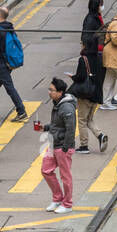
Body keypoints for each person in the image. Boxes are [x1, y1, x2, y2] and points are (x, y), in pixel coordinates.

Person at [0, 6, 29, 121]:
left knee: (9, 88)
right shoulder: (9, 28)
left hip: (1, 63)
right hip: (8, 62)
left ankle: (21, 111)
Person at [39, 77, 77, 212]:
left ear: (60, 92)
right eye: (49, 89)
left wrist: (66, 147)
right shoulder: (57, 104)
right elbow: (57, 125)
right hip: (53, 143)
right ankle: (57, 198)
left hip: (63, 146)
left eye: (52, 90)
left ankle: (67, 204)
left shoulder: (66, 107)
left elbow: (71, 128)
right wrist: (45, 128)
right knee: (46, 170)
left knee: (65, 176)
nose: (49, 92)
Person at [67, 39, 107, 154]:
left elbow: (80, 77)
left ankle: (84, 146)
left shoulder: (83, 59)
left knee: (81, 120)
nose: (81, 45)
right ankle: (100, 135)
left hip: (85, 94)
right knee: (89, 119)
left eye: (82, 44)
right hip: (96, 94)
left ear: (85, 46)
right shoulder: (99, 57)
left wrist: (72, 77)